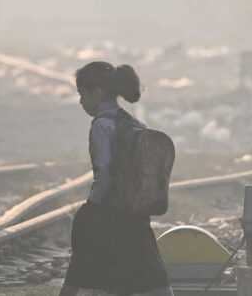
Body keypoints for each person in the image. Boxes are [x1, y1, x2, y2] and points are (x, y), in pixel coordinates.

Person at [60, 62, 173, 296]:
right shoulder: (135, 124)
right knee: (148, 270)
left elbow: (104, 172)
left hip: (109, 211)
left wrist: (93, 206)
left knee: (81, 267)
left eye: (83, 94)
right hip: (135, 212)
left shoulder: (102, 125)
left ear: (97, 92)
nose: (81, 102)